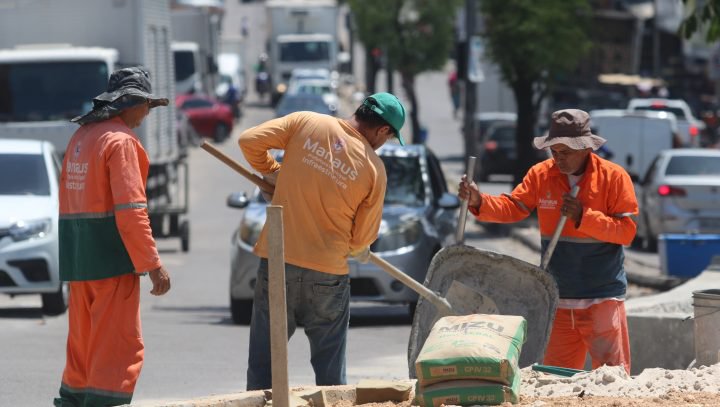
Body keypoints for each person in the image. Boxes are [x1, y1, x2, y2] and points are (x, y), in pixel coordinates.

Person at [238, 92, 406, 390]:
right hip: (328, 273)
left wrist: (275, 174)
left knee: (265, 361)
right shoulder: (374, 169)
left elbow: (249, 141)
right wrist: (360, 249)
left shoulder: (307, 122)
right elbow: (361, 238)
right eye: (390, 137)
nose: (385, 142)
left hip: (280, 261)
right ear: (382, 130)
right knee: (330, 374)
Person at [458, 109, 638, 375]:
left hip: (602, 296)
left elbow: (626, 232)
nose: (558, 159)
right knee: (555, 380)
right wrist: (479, 201)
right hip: (559, 297)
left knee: (612, 378)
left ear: (586, 148)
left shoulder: (613, 177)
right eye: (554, 152)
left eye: (565, 152)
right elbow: (514, 207)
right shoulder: (541, 174)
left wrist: (583, 216)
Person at [54, 67, 171, 406]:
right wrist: (152, 264)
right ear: (130, 103)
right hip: (111, 263)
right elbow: (132, 209)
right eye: (146, 105)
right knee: (117, 350)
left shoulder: (83, 137)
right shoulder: (120, 142)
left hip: (80, 264)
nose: (147, 112)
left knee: (83, 349)